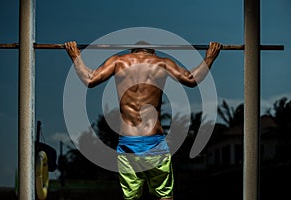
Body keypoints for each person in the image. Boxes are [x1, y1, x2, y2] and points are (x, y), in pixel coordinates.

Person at [65, 41, 221, 200]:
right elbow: (191, 79)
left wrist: (75, 55)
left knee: (131, 197)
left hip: (128, 143)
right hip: (154, 141)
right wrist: (209, 58)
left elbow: (90, 79)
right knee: (165, 196)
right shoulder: (162, 63)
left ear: (132, 52)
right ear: (152, 52)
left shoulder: (118, 62)